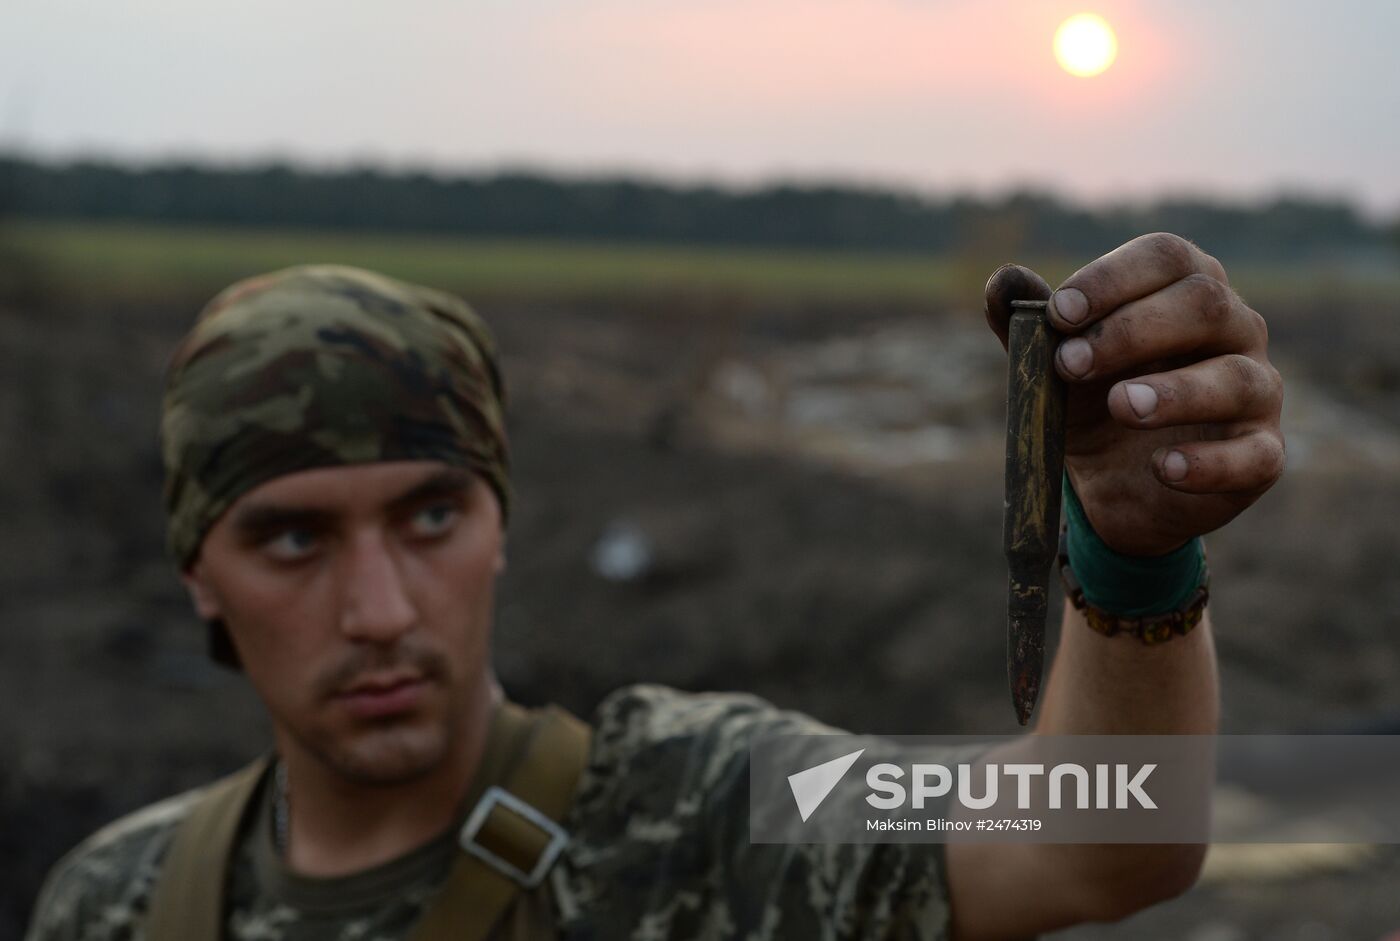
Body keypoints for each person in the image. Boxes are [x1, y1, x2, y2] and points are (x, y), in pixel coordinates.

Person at [25, 232, 1284, 941]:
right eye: (293, 539)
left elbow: (1097, 839)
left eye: (430, 515)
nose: (382, 608)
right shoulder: (116, 903)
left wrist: (1129, 554)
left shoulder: (703, 807)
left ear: (498, 526)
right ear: (199, 574)